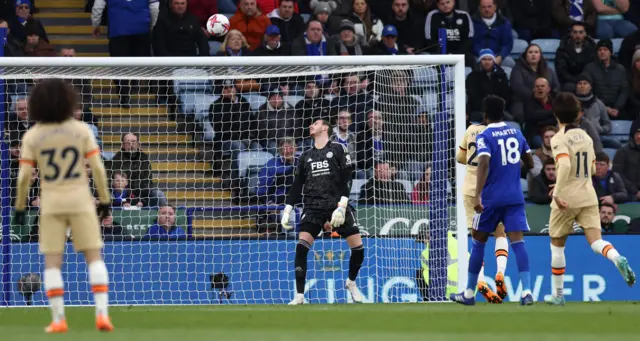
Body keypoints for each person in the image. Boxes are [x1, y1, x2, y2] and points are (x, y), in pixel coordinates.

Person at [12, 79, 113, 332]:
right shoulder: (80, 130)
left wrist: (21, 207)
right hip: (80, 199)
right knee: (94, 258)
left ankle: (58, 319)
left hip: (52, 203)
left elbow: (24, 176)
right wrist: (105, 200)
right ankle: (102, 314)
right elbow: (98, 168)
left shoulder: (33, 135)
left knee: (52, 262)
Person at [543, 92, 635, 306]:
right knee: (595, 241)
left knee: (557, 244)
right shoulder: (585, 136)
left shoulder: (559, 138)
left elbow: (564, 165)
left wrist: (557, 191)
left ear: (556, 114)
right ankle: (616, 257)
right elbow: (593, 167)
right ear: (578, 114)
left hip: (566, 197)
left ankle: (557, 295)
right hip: (588, 194)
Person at [450, 95, 535, 306]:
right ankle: (527, 292)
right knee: (518, 242)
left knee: (478, 242)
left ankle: (469, 294)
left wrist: (478, 194)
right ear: (504, 112)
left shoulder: (484, 135)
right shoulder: (516, 132)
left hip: (490, 199)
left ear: (485, 114)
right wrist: (511, 168)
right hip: (515, 197)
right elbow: (531, 163)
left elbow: (484, 164)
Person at [281, 119, 364, 305]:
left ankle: (351, 282)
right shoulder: (305, 156)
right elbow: (297, 184)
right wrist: (288, 208)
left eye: (315, 124)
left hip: (336, 206)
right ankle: (300, 295)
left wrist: (342, 206)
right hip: (312, 207)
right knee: (301, 247)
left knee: (358, 249)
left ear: (324, 127)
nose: (311, 126)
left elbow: (347, 178)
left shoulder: (338, 149)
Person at [455, 117, 510, 303]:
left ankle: (479, 281)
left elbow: (459, 158)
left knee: (477, 239)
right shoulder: (496, 135)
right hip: (492, 190)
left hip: (470, 190)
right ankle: (500, 272)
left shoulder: (470, 130)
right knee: (500, 232)